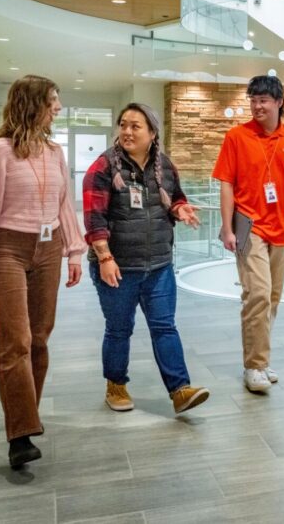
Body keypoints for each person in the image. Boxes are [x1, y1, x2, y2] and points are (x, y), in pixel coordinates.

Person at [0, 75, 87, 469]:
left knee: (40, 338)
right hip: (7, 249)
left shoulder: (54, 151)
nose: (58, 108)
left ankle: (26, 416)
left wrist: (75, 251)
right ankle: (19, 434)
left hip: (49, 249)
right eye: (53, 100)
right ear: (33, 103)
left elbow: (64, 204)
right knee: (15, 339)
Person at [82, 103, 210, 414]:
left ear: (152, 133)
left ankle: (180, 390)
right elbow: (94, 218)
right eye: (123, 124)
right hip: (119, 266)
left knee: (165, 326)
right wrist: (105, 258)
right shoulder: (103, 167)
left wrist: (181, 208)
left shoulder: (165, 165)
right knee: (119, 329)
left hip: (159, 265)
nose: (127, 131)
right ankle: (116, 385)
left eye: (135, 126)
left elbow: (174, 196)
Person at [212, 75, 284, 393]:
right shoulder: (236, 136)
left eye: (263, 99)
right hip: (248, 226)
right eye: (252, 99)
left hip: (281, 227)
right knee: (259, 294)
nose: (256, 105)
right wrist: (226, 227)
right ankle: (254, 366)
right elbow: (225, 183)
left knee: (272, 299)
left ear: (279, 102)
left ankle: (260, 360)